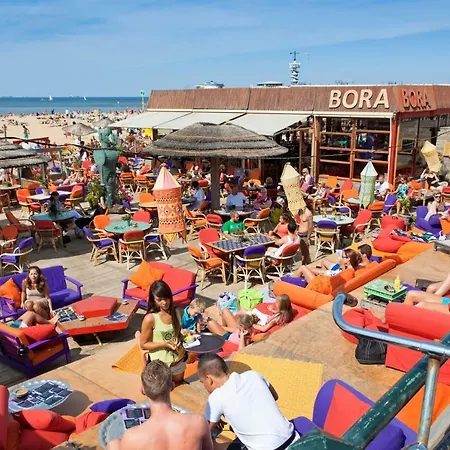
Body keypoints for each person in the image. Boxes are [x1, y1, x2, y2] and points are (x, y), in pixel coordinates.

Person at [106, 360, 213, 450]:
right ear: (172, 386)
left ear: (143, 390)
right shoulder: (198, 422)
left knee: (113, 444)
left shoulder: (131, 437)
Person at [199, 354, 299, 450]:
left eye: (202, 382)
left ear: (209, 379)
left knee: (213, 444)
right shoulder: (253, 375)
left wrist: (213, 426)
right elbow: (275, 397)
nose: (205, 387)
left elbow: (203, 434)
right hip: (293, 438)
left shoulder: (216, 397)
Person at [136, 280, 186, 384]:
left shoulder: (176, 312)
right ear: (153, 300)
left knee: (179, 385)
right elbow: (144, 344)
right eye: (159, 300)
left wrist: (179, 338)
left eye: (166, 298)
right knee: (162, 389)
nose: (164, 302)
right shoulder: (150, 319)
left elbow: (177, 333)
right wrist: (164, 344)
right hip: (160, 365)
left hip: (178, 360)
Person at [292, 248, 361, 281]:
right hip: (328, 276)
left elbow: (335, 279)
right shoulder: (350, 268)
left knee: (303, 268)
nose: (340, 258)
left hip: (319, 284)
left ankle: (290, 280)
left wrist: (323, 276)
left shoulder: (347, 272)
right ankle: (294, 276)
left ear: (348, 259)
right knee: (308, 269)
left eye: (342, 257)